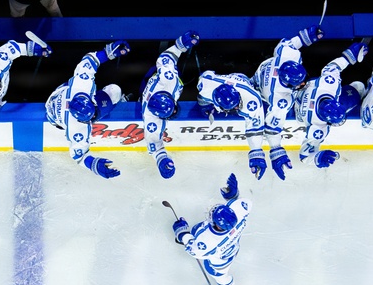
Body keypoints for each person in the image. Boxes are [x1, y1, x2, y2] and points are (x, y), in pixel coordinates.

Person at [45, 40, 130, 179]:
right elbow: (78, 155)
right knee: (115, 92)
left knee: (110, 91)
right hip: (56, 116)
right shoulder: (76, 128)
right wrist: (93, 165)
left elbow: (90, 60)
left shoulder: (81, 84)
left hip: (60, 94)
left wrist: (109, 52)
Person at [250, 24, 324, 180]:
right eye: (299, 84)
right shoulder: (280, 98)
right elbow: (272, 127)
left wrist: (308, 36)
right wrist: (276, 150)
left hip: (261, 72)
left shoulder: (287, 54)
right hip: (260, 92)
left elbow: (291, 43)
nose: (303, 84)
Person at [171, 173, 251, 285]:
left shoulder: (208, 241)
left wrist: (182, 234)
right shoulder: (239, 215)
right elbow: (246, 204)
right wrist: (234, 197)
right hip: (232, 248)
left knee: (218, 274)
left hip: (219, 263)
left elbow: (194, 251)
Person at [293, 41, 369, 169]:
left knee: (355, 90)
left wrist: (351, 55)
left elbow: (332, 68)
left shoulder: (327, 85)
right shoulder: (317, 127)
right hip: (300, 110)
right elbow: (304, 156)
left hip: (305, 93)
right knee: (357, 89)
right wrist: (350, 55)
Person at [140, 30, 199, 179]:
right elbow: (153, 144)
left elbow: (166, 57)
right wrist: (161, 159)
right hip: (145, 89)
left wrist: (180, 45)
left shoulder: (168, 78)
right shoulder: (152, 120)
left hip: (156, 76)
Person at [196, 70, 273, 179]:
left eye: (237, 104)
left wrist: (256, 151)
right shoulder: (205, 86)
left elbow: (255, 127)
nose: (237, 108)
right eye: (234, 107)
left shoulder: (252, 100)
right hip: (225, 79)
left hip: (245, 82)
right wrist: (204, 106)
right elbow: (206, 76)